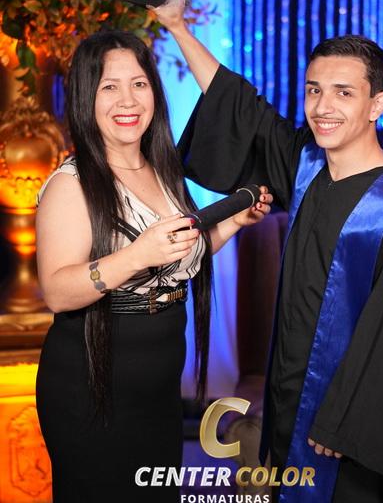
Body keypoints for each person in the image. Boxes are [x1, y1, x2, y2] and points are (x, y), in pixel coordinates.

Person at [153, 4, 383, 503]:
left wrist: (341, 423)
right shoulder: (306, 167)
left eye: (344, 92)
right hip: (288, 406)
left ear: (377, 104)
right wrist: (178, 27)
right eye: (314, 90)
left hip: (349, 435)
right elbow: (241, 105)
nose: (323, 106)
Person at [35, 29, 272, 503]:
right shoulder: (71, 182)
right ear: (85, 97)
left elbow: (175, 261)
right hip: (90, 386)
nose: (128, 100)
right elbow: (58, 292)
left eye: (139, 84)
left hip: (161, 384)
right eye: (109, 86)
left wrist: (233, 224)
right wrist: (136, 255)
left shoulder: (163, 170)